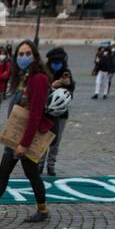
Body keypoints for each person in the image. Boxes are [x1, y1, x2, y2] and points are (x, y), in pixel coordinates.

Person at [0, 40, 53, 224]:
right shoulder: (24, 77)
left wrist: (25, 143)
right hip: (15, 135)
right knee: (4, 171)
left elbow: (35, 114)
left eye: (27, 53)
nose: (23, 57)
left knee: (31, 174)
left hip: (24, 137)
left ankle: (43, 210)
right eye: (20, 54)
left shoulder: (38, 78)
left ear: (35, 55)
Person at [43, 47, 74, 177]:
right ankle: (39, 164)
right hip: (46, 112)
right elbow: (42, 91)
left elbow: (71, 93)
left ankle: (51, 165)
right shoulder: (45, 72)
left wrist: (68, 84)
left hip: (61, 113)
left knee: (56, 141)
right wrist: (52, 85)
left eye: (59, 62)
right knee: (44, 139)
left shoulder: (66, 72)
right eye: (55, 62)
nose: (57, 65)